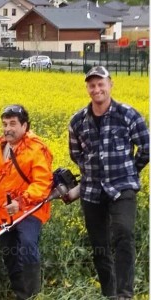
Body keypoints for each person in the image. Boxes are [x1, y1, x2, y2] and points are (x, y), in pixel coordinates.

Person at [69, 66, 149, 299]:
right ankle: (110, 293)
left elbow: (146, 147)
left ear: (110, 84)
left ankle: (125, 293)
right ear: (88, 88)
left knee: (123, 233)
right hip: (92, 190)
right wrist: (91, 171)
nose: (96, 89)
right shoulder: (77, 121)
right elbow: (76, 154)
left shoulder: (128, 114)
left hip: (122, 187)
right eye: (92, 85)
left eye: (100, 84)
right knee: (99, 245)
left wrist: (130, 171)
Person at [0, 104, 53, 300]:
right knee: (9, 254)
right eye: (4, 124)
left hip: (28, 210)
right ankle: (21, 294)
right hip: (3, 211)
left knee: (27, 245)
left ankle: (34, 294)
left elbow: (42, 182)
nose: (7, 128)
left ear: (24, 126)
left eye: (12, 123)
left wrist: (22, 201)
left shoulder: (36, 149)